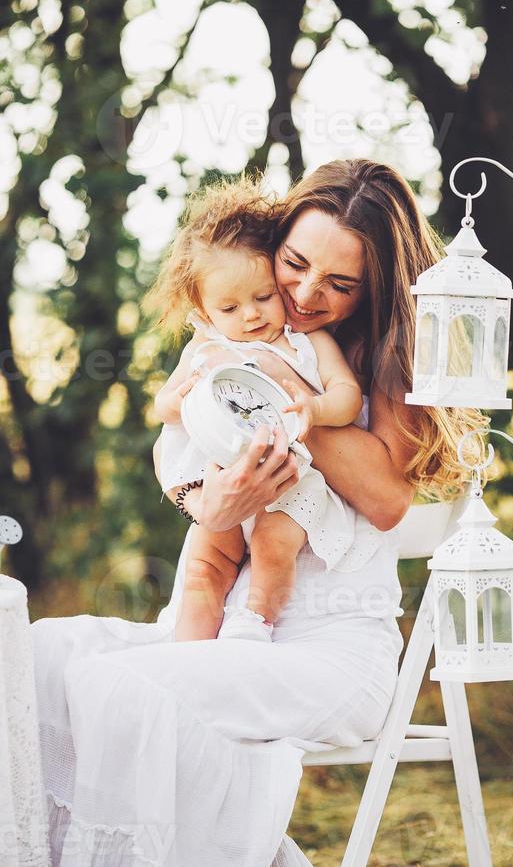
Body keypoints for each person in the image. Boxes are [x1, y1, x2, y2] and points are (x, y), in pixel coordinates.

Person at [30, 159, 486, 867]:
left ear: (374, 286)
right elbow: (176, 447)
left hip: (331, 650)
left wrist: (282, 389)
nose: (305, 294)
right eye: (295, 264)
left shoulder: (369, 357)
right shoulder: (235, 326)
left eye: (340, 283)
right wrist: (206, 500)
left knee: (115, 688)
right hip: (217, 628)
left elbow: (389, 500)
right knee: (36, 658)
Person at [145, 176, 373, 644]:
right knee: (205, 565)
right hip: (219, 477)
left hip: (288, 477)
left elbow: (347, 394)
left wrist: (315, 409)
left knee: (273, 545)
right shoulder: (206, 344)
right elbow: (163, 409)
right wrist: (179, 395)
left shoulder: (306, 341)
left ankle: (253, 625)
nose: (250, 316)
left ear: (273, 280)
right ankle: (190, 651)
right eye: (229, 307)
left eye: (263, 297)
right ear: (204, 309)